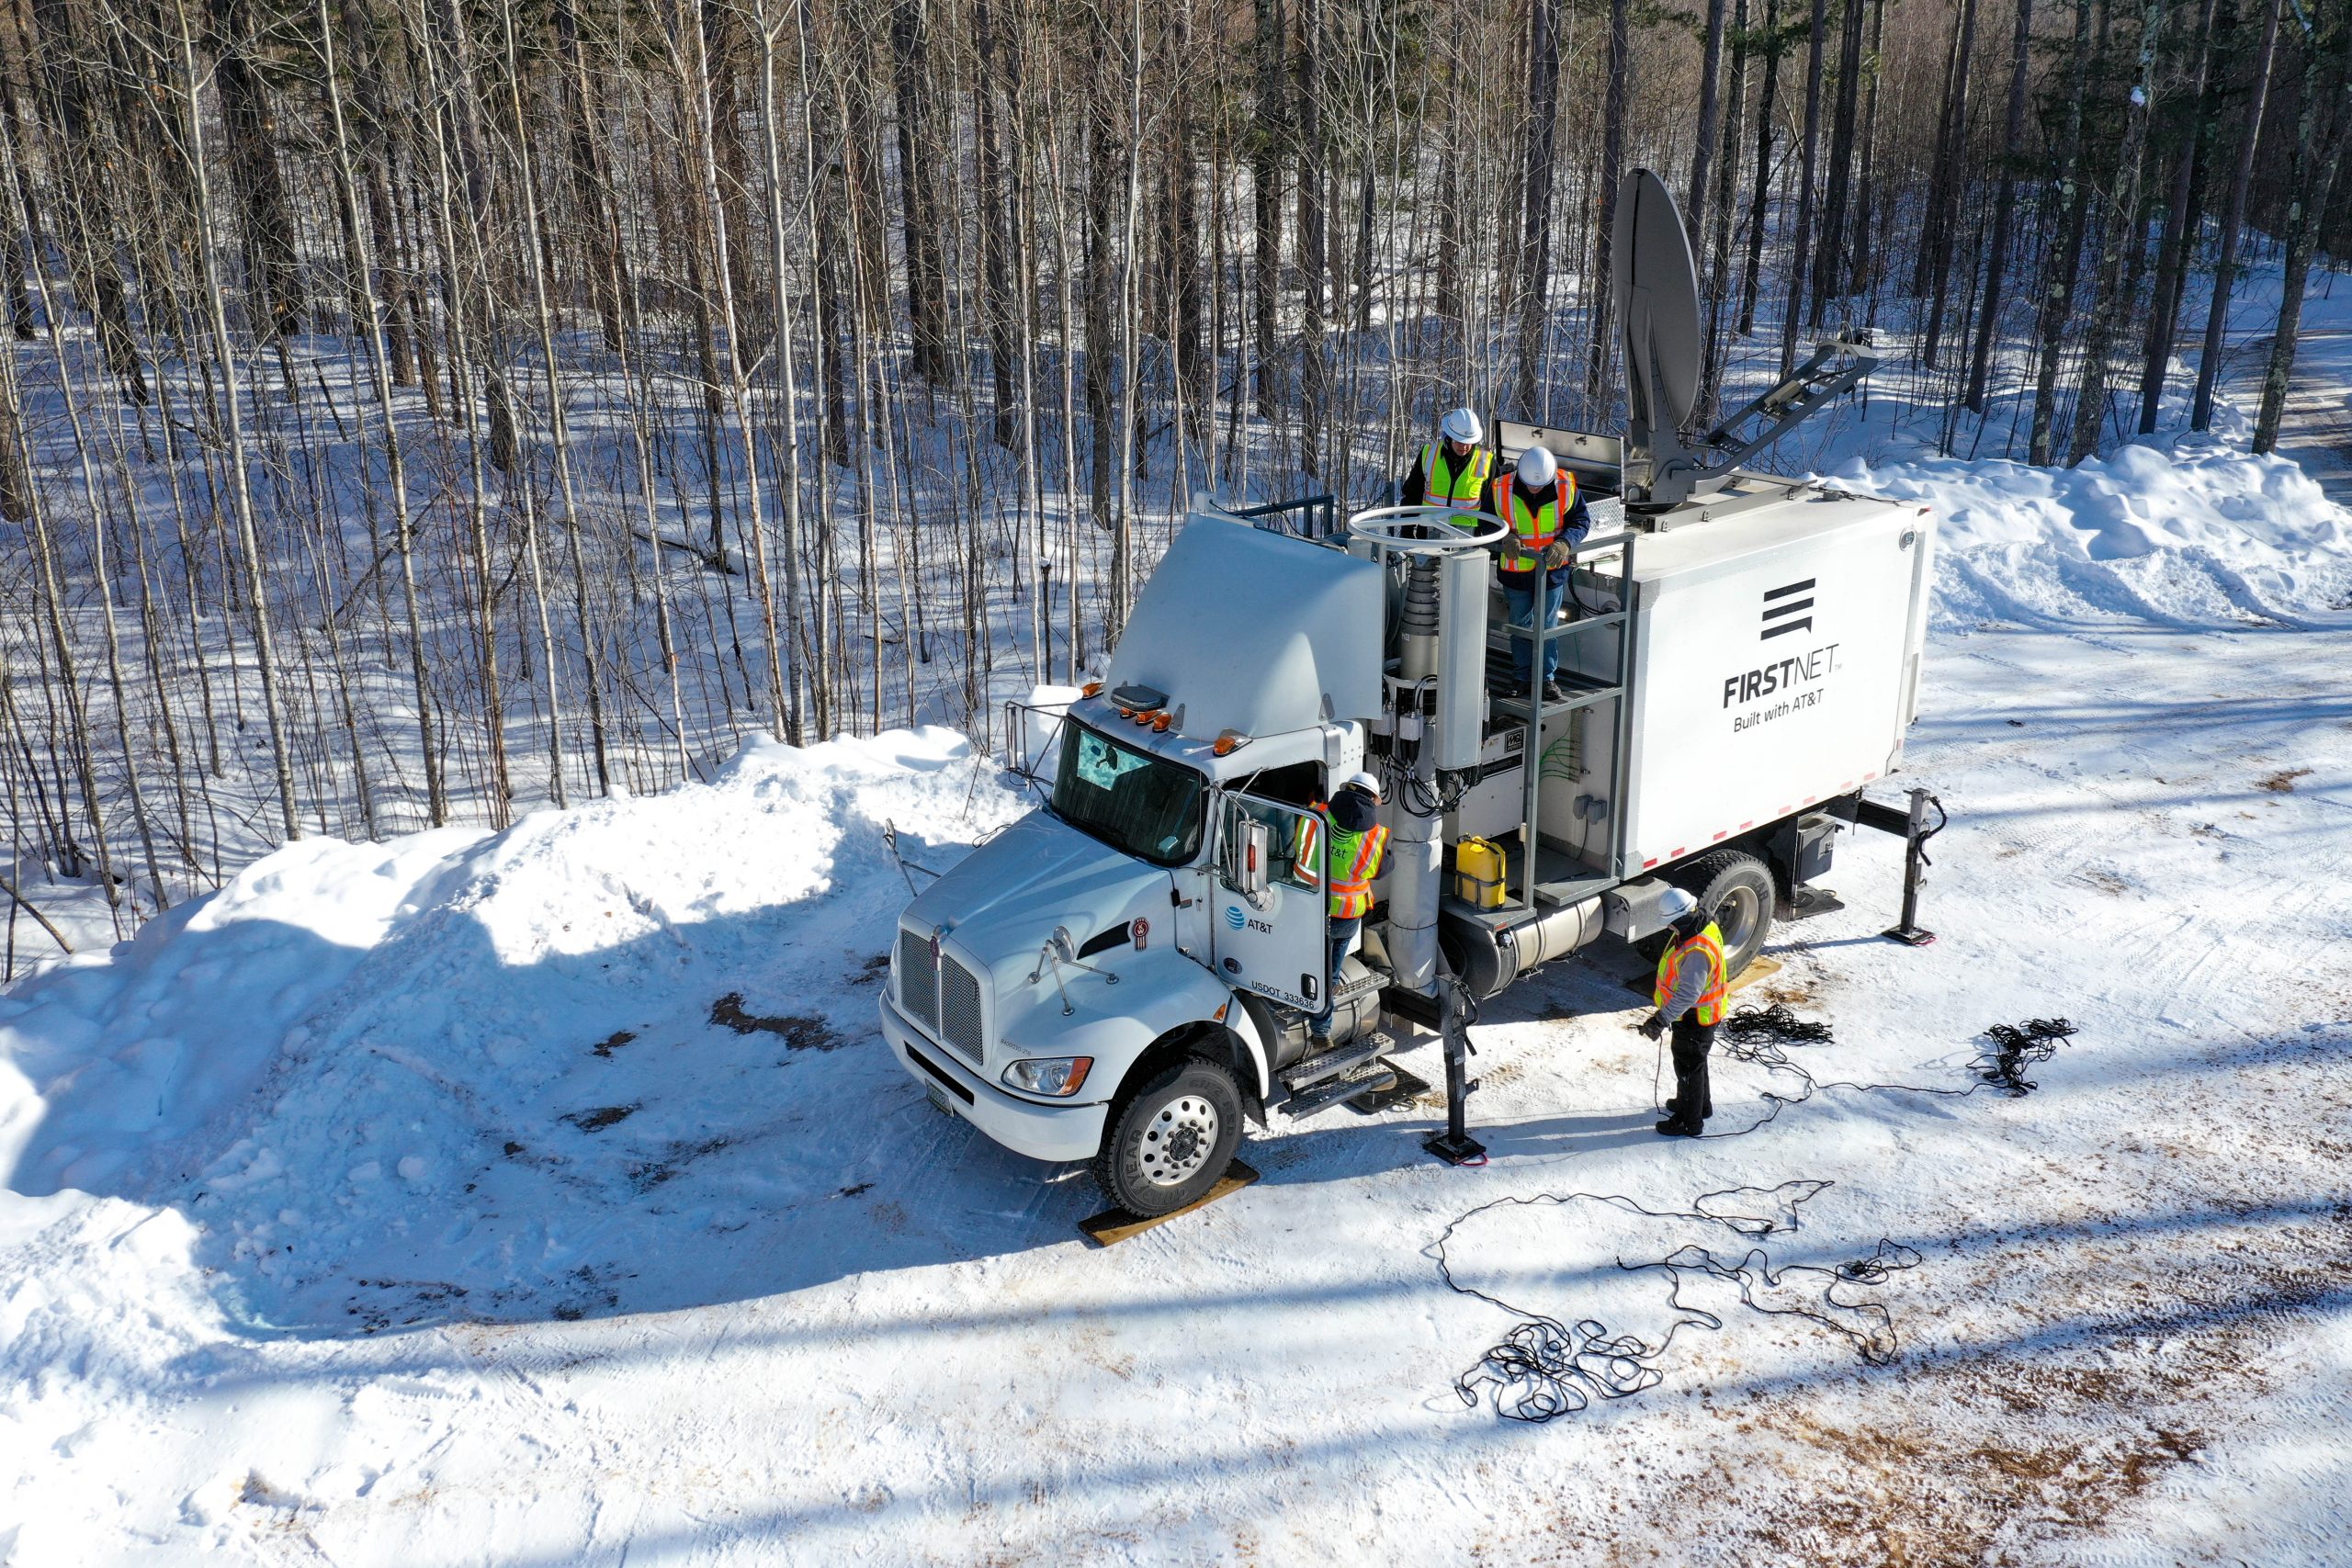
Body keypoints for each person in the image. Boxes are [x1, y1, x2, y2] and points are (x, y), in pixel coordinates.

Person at [1481, 444, 1591, 701]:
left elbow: (1581, 521)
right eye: (1530, 484)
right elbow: (1486, 522)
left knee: (1547, 626)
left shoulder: (1565, 486)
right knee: (1520, 625)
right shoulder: (1500, 488)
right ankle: (1521, 677)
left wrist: (1565, 542)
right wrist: (1505, 537)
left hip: (1551, 571)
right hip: (1516, 571)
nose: (1534, 489)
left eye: (1539, 486)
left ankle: (1546, 679)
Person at [1289, 771, 1390, 1050]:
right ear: (1373, 799)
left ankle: (1315, 1018)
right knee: (1330, 970)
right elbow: (1381, 870)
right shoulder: (1374, 836)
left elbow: (1297, 848)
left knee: (1310, 964)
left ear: (1347, 789)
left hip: (1311, 908)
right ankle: (1325, 1013)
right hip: (1346, 915)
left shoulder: (1316, 815)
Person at [1637, 887, 1728, 1137]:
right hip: (1701, 1014)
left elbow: (1688, 994)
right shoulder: (1702, 926)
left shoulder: (1697, 950)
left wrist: (1660, 1019)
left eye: (1671, 924)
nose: (1669, 928)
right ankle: (1700, 1106)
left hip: (1695, 1018)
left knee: (1688, 1068)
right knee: (1696, 1064)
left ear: (1682, 919)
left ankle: (1689, 1122)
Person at [1399, 407, 1493, 521]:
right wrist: (1407, 527)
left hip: (1469, 530)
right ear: (1449, 437)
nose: (1464, 447)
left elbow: (1493, 503)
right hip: (1430, 525)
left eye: (1468, 442)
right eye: (1459, 441)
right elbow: (1413, 493)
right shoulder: (1428, 454)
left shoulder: (1486, 461)